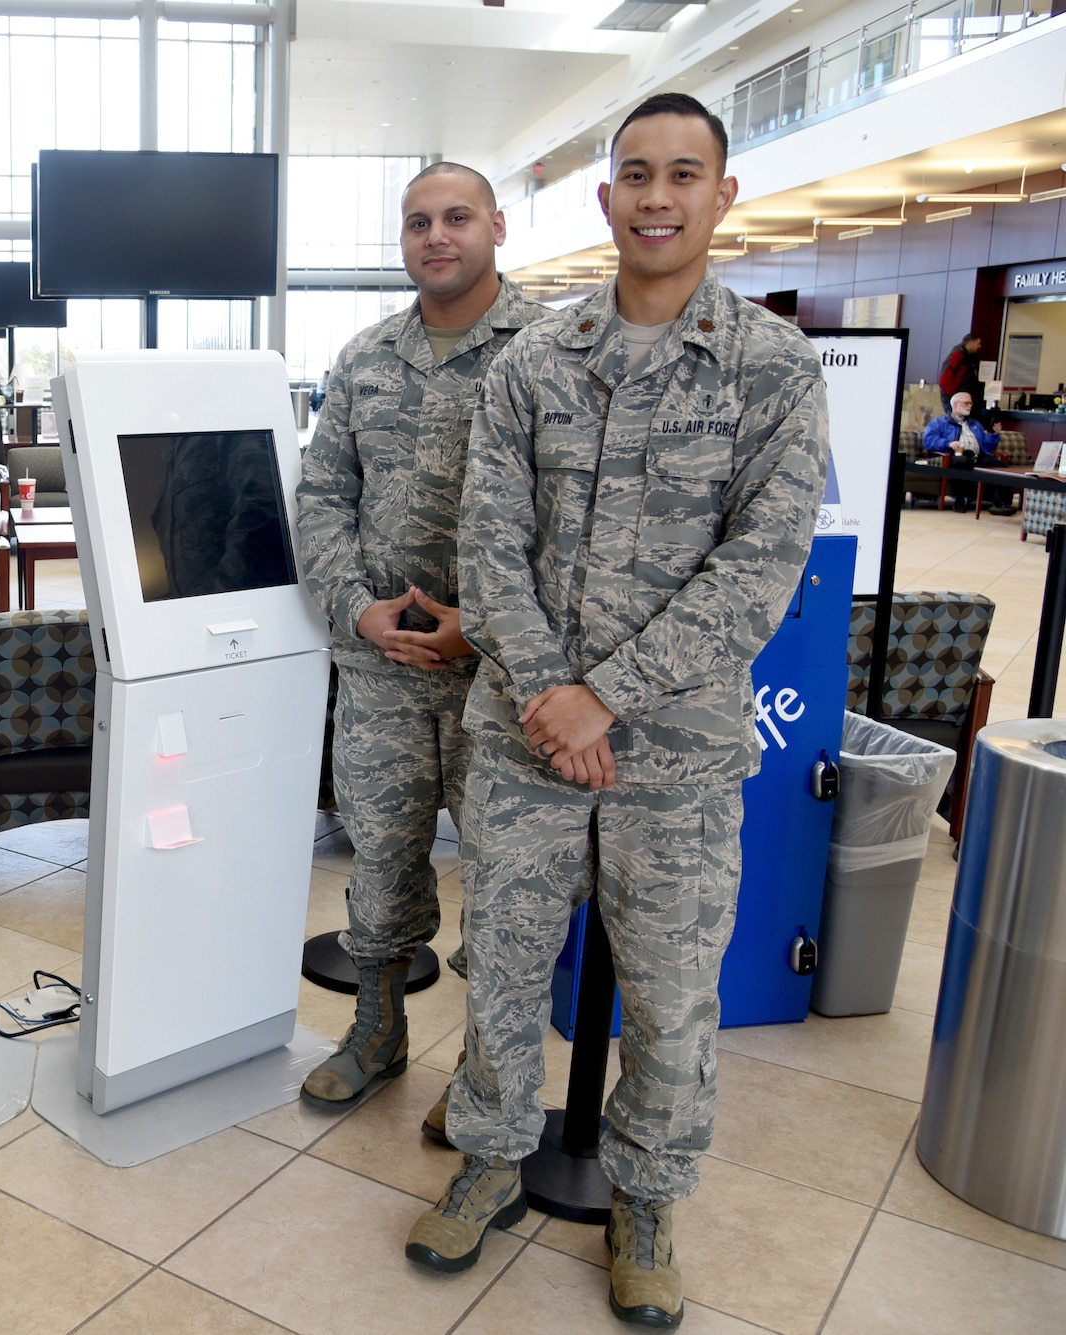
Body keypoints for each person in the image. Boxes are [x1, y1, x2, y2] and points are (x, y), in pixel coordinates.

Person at [407, 94, 827, 1330]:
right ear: (603, 200)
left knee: (670, 994)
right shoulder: (535, 361)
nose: (655, 197)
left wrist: (606, 697)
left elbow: (759, 570)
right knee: (500, 972)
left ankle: (644, 1202)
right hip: (527, 743)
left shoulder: (769, 368)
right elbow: (486, 542)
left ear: (719, 196)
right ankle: (487, 1158)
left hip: (677, 756)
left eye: (680, 175)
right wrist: (551, 699)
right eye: (633, 174)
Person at [294, 162, 546, 1112]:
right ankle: (377, 1031)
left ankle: (484, 1078)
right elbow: (321, 498)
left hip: (502, 674)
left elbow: (570, 524)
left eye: (455, 218)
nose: (436, 236)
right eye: (416, 223)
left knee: (507, 878)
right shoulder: (362, 359)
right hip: (382, 667)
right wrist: (356, 607)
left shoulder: (550, 351)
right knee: (384, 856)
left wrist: (478, 630)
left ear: (497, 227)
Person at [924, 390, 1006, 514]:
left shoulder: (975, 424)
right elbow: (928, 441)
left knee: (999, 465)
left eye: (971, 404)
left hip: (977, 456)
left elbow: (986, 446)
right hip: (954, 455)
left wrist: (994, 435)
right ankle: (959, 501)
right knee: (962, 462)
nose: (970, 406)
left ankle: (999, 503)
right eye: (966, 403)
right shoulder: (939, 423)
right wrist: (948, 443)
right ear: (955, 404)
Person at [939, 333, 984, 413]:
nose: (979, 347)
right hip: (955, 399)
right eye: (978, 344)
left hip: (962, 398)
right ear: (971, 343)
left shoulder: (970, 357)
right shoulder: (958, 355)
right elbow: (944, 379)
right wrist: (954, 396)